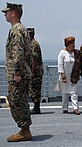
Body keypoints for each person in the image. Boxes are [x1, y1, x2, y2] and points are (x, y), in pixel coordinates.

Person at [2, 2, 32, 142]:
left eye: (6, 12)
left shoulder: (17, 30)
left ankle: (25, 131)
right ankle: (24, 129)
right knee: (18, 100)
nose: (4, 14)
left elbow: (18, 53)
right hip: (20, 72)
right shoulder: (19, 29)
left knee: (17, 101)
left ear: (13, 13)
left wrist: (17, 73)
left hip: (18, 75)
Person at [58, 36, 80, 115]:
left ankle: (75, 108)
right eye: (71, 44)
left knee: (74, 92)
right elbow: (60, 64)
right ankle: (65, 108)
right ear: (67, 45)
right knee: (65, 93)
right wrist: (62, 74)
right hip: (65, 75)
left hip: (74, 75)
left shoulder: (76, 53)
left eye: (74, 43)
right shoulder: (62, 53)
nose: (73, 45)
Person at [27, 28, 43, 114]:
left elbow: (34, 59)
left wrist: (32, 72)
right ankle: (36, 107)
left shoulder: (33, 44)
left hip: (36, 72)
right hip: (34, 71)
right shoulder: (30, 44)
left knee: (35, 90)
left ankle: (36, 108)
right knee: (33, 89)